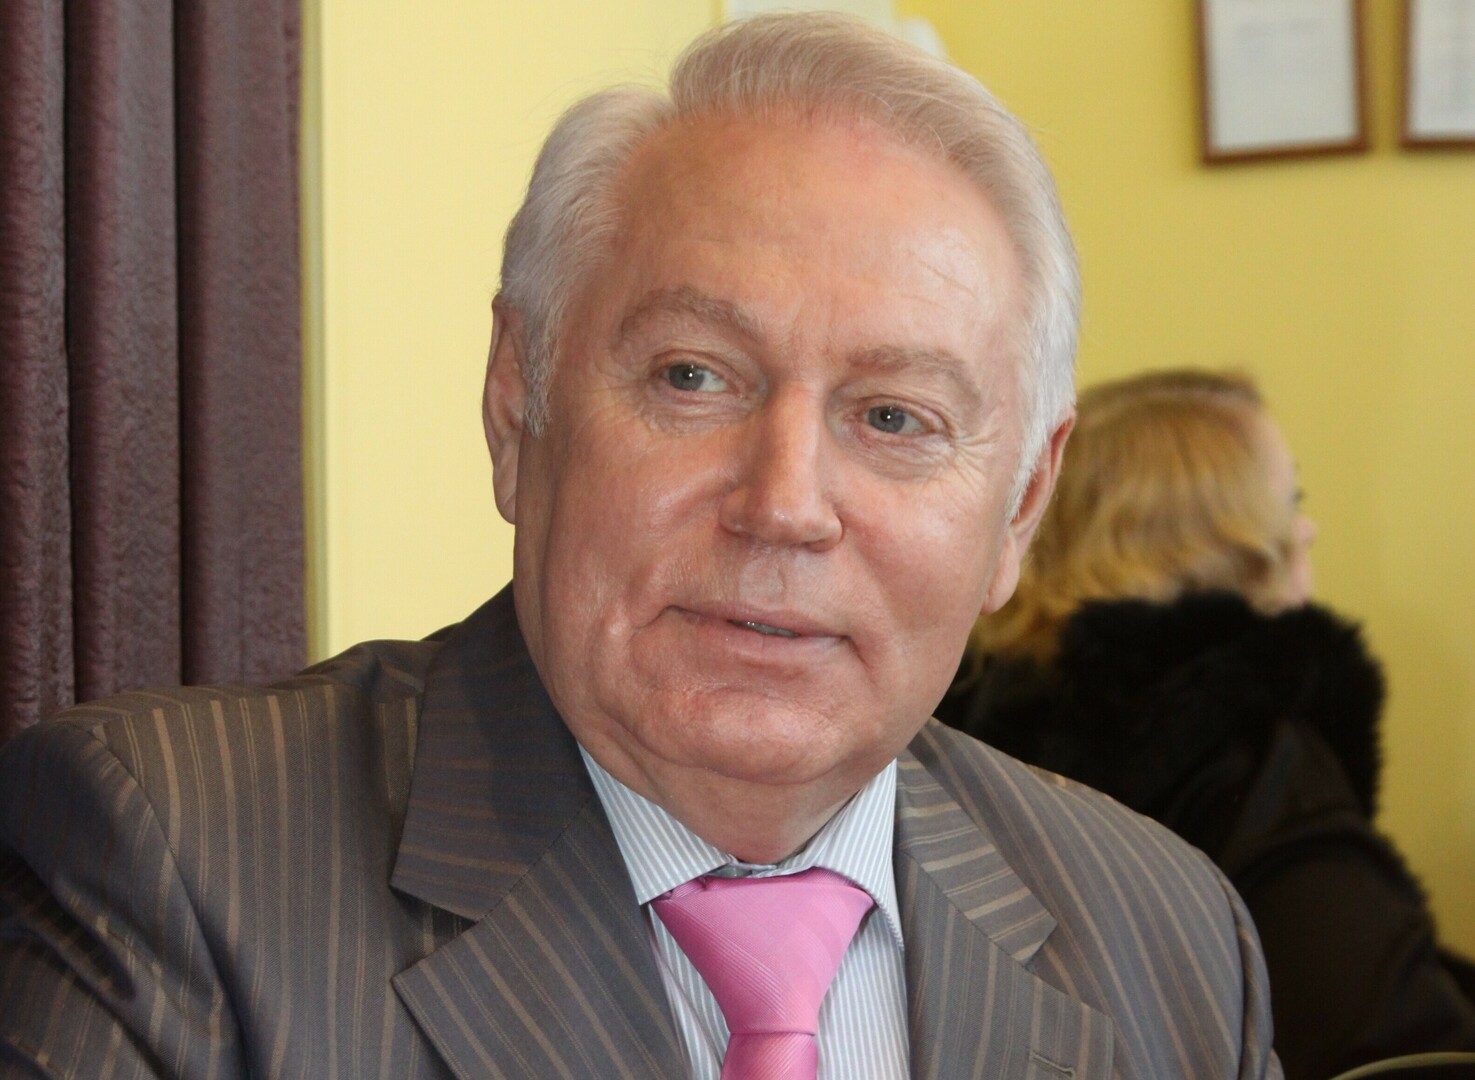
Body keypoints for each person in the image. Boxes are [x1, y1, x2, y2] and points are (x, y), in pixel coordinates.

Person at [0, 16, 1283, 1079]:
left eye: (893, 418)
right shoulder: (172, 858)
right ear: (518, 403)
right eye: (693, 377)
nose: (785, 503)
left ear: (1022, 506)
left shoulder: (1168, 940)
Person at [936, 369, 1475, 1080]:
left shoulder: (952, 728)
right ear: (1220, 545)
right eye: (1290, 504)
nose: (1307, 528)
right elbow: (1387, 1044)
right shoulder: (1259, 765)